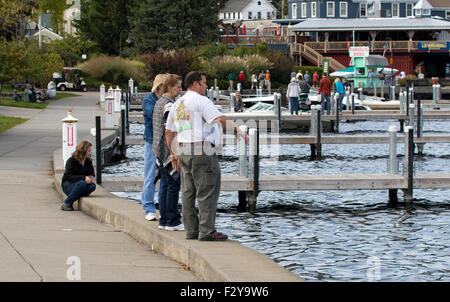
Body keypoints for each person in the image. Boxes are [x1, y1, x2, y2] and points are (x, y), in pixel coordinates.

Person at [165, 71, 248, 241]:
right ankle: (207, 231)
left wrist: (173, 155)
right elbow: (220, 118)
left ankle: (191, 231)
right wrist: (237, 130)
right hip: (201, 149)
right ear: (195, 84)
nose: (206, 86)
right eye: (204, 83)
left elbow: (169, 132)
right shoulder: (201, 101)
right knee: (207, 190)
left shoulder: (177, 103)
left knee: (188, 192)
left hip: (182, 149)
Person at [152, 74, 184, 231]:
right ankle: (172, 220)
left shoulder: (159, 102)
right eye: (178, 86)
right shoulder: (169, 105)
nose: (180, 89)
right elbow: (169, 130)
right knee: (173, 184)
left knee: (164, 185)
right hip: (167, 151)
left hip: (158, 150)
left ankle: (164, 219)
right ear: (170, 87)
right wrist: (174, 153)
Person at [141, 74, 167, 221]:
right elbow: (155, 116)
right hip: (152, 141)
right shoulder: (148, 100)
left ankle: (163, 208)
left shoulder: (169, 100)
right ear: (160, 86)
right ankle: (148, 208)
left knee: (166, 176)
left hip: (165, 142)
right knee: (150, 175)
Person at [61, 141, 96, 211]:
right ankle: (67, 203)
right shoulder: (71, 161)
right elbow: (69, 176)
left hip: (81, 184)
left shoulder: (88, 161)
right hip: (68, 184)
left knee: (92, 186)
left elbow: (92, 173)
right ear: (83, 151)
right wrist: (83, 178)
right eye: (89, 151)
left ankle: (75, 195)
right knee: (82, 183)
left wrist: (90, 177)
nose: (90, 153)